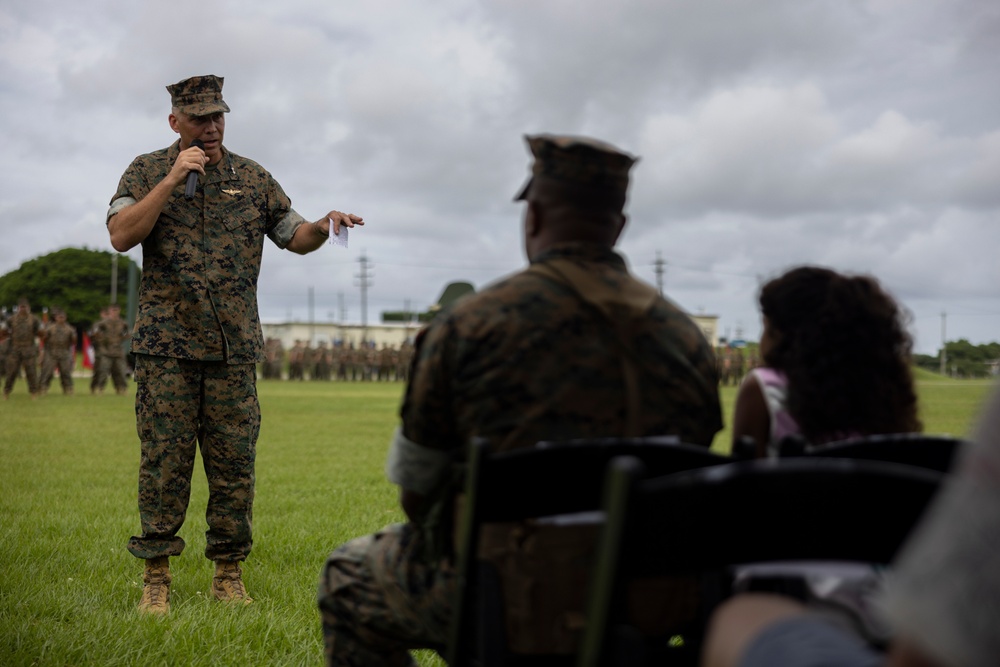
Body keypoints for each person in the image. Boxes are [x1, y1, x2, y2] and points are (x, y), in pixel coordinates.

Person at [317, 134, 723, 666]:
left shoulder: (471, 323)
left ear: (531, 217)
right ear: (619, 225)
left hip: (504, 591)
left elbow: (416, 495)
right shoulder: (685, 338)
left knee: (349, 576)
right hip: (647, 596)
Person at [106, 74, 364, 615]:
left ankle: (228, 574)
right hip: (166, 349)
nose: (211, 125)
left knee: (234, 466)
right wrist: (173, 180)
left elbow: (295, 235)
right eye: (199, 117)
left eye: (218, 115)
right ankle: (156, 577)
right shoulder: (146, 170)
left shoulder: (253, 179)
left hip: (233, 350)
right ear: (174, 122)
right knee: (163, 463)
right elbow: (121, 234)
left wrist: (324, 223)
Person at [702, 382, 1000, 667]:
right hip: (887, 587)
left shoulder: (763, 386)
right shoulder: (891, 390)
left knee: (739, 616)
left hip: (801, 584)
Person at [732, 266, 921, 457]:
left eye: (765, 328)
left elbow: (744, 478)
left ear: (782, 334)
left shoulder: (765, 387)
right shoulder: (880, 390)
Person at [3, 298, 41, 399]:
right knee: (12, 371)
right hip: (15, 348)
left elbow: (40, 332)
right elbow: (4, 330)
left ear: (28, 308)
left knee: (31, 372)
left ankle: (34, 392)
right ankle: (6, 391)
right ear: (18, 308)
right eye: (21, 307)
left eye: (25, 307)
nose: (23, 309)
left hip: (29, 348)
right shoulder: (11, 319)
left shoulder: (34, 319)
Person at [91, 304, 130, 395]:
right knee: (103, 370)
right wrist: (100, 339)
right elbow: (95, 332)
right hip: (106, 351)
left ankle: (121, 388)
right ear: (109, 311)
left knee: (120, 371)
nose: (114, 312)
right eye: (113, 310)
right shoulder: (103, 323)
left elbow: (127, 333)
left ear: (119, 311)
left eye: (116, 310)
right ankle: (100, 388)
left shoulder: (123, 323)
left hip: (118, 351)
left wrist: (123, 337)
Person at [40, 308, 78, 395]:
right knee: (47, 372)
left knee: (66, 373)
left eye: (63, 317)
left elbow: (74, 342)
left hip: (64, 353)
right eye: (59, 317)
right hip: (51, 353)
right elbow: (44, 339)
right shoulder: (50, 328)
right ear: (56, 318)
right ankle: (43, 388)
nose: (61, 319)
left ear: (65, 318)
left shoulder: (70, 329)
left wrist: (74, 337)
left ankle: (68, 389)